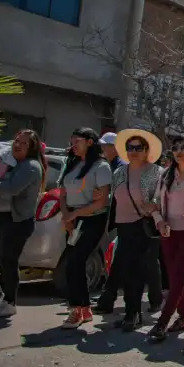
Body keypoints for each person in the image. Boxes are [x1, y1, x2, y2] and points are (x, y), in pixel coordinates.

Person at [0, 130, 45, 318]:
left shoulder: (31, 166)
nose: (17, 144)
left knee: (8, 260)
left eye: (24, 143)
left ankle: (10, 302)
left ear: (31, 148)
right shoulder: (9, 162)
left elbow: (11, 189)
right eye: (16, 140)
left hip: (17, 221)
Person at [107, 129, 163, 331]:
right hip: (123, 226)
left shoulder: (156, 172)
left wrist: (154, 204)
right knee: (126, 270)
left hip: (144, 226)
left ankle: (133, 313)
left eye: (138, 147)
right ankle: (132, 312)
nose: (133, 151)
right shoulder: (119, 172)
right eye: (130, 148)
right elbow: (112, 198)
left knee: (137, 271)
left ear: (146, 150)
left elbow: (161, 197)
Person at [58, 128, 113, 329]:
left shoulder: (100, 166)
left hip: (92, 219)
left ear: (90, 142)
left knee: (76, 261)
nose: (73, 144)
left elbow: (101, 202)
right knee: (73, 263)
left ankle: (76, 309)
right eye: (71, 140)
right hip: (73, 219)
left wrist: (74, 214)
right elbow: (62, 194)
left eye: (77, 141)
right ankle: (84, 308)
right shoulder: (71, 164)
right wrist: (67, 216)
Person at [149, 136, 184, 342]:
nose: (179, 151)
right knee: (173, 278)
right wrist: (159, 221)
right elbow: (154, 202)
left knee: (178, 278)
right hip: (168, 232)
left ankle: (162, 322)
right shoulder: (166, 175)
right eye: (175, 147)